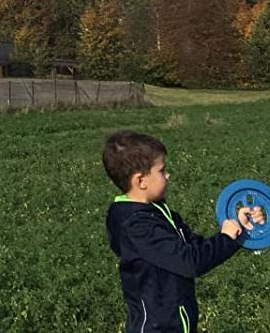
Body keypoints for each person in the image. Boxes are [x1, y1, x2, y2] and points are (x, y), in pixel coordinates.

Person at [103, 129, 258, 333]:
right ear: (141, 181)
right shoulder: (137, 227)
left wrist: (238, 229)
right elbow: (190, 261)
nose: (168, 175)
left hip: (177, 323)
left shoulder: (158, 212)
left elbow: (194, 246)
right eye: (161, 170)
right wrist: (226, 237)